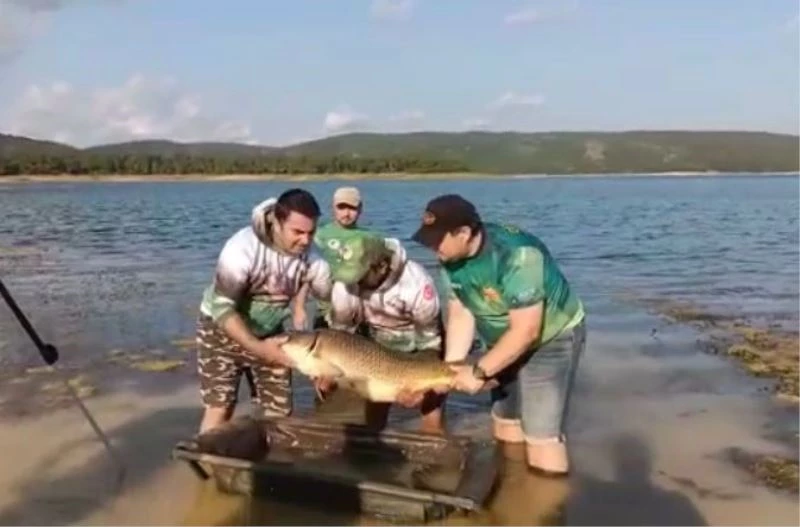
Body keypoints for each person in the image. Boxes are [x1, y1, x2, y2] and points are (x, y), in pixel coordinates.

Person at [410, 194, 586, 476]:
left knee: (541, 437)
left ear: (464, 233)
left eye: (437, 238)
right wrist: (450, 371)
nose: (431, 245)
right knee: (506, 423)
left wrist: (478, 372)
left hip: (550, 339)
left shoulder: (517, 255)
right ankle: (513, 491)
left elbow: (527, 331)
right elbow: (460, 314)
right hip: (499, 339)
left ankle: (549, 507)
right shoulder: (448, 258)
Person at [195, 188, 331, 434]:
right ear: (277, 222)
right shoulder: (242, 248)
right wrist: (259, 350)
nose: (305, 240)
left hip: (271, 332)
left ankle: (268, 465)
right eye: (297, 232)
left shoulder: (315, 261)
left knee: (279, 414)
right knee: (221, 407)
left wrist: (322, 363)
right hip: (220, 329)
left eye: (311, 232)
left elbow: (328, 306)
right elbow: (223, 308)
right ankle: (210, 466)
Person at [314, 233, 447, 434]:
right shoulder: (345, 285)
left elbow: (429, 345)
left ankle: (436, 454)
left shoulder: (417, 284)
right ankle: (375, 455)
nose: (355, 283)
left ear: (382, 266)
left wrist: (418, 387)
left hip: (422, 344)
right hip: (378, 343)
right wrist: (327, 369)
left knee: (430, 412)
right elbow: (341, 337)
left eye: (360, 276)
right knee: (374, 409)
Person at [293, 186, 373, 330]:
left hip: (359, 315)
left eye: (352, 208)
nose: (347, 213)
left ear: (360, 209)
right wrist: (299, 308)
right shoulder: (318, 235)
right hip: (325, 314)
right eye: (341, 207)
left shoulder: (369, 238)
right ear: (333, 207)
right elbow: (305, 274)